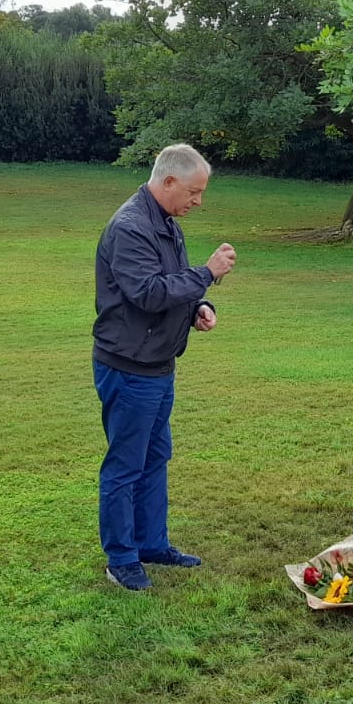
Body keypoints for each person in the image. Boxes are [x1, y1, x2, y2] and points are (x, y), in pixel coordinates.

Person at [93, 144, 236, 591]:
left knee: (155, 457)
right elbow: (149, 293)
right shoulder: (131, 227)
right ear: (169, 181)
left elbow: (172, 284)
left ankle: (152, 544)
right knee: (125, 465)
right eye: (194, 192)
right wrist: (207, 274)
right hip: (129, 368)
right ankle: (121, 559)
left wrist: (199, 307)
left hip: (158, 364)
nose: (198, 201)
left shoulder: (166, 224)